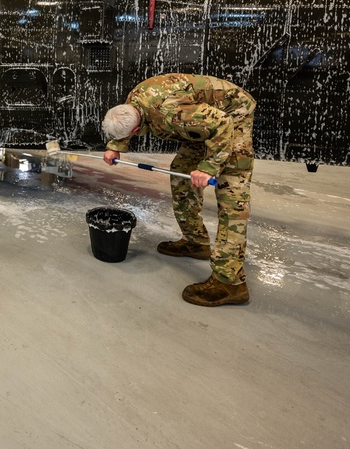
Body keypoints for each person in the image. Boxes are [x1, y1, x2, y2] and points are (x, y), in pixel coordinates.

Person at [101, 73, 255, 307]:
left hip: (232, 116)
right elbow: (129, 117)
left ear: (136, 130)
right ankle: (196, 242)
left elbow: (222, 123)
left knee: (232, 196)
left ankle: (230, 282)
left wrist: (208, 168)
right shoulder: (134, 101)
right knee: (181, 172)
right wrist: (115, 146)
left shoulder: (173, 114)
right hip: (203, 121)